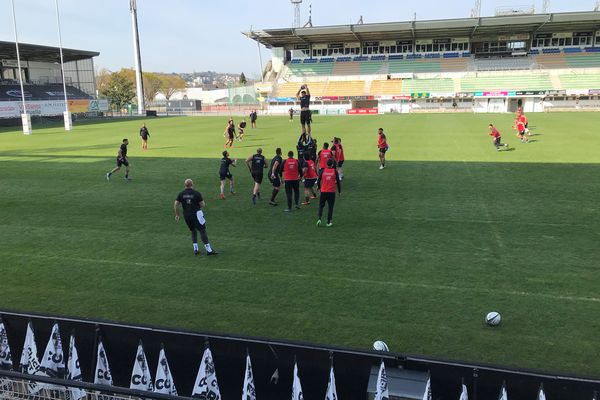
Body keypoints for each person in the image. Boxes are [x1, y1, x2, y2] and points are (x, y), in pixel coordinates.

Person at [174, 179, 218, 256]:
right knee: (202, 231)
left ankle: (196, 249)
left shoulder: (181, 194)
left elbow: (176, 204)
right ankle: (209, 250)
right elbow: (203, 204)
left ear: (185, 185)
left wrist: (177, 214)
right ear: (192, 184)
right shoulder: (196, 193)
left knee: (193, 230)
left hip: (187, 215)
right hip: (196, 214)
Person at [316, 159, 341, 227]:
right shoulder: (334, 171)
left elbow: (318, 180)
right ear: (332, 165)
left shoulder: (323, 170)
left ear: (326, 164)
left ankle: (319, 219)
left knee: (321, 206)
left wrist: (318, 187)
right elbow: (338, 182)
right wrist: (339, 191)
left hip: (323, 191)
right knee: (330, 207)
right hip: (331, 192)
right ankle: (328, 222)